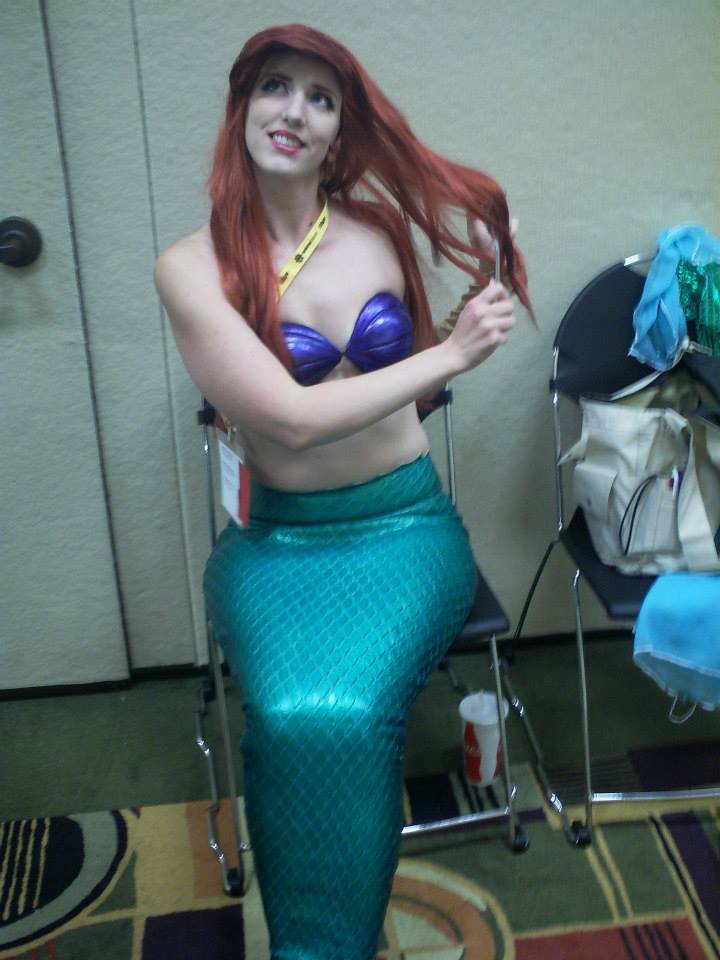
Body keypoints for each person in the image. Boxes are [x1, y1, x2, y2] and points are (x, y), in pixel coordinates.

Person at [154, 23, 531, 960]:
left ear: (340, 130)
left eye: (321, 98)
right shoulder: (192, 268)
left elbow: (413, 384)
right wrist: (450, 354)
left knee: (351, 713)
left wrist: (469, 313)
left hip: (405, 528)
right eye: (275, 87)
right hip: (279, 543)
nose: (295, 111)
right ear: (241, 107)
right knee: (292, 716)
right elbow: (287, 420)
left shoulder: (376, 232)